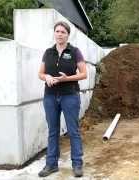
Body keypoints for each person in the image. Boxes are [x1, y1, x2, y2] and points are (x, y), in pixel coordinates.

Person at [38, 21, 87, 177]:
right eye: (57, 31)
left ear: (67, 35)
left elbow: (84, 74)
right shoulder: (48, 52)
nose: (59, 34)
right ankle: (51, 164)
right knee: (53, 131)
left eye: (63, 32)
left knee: (73, 131)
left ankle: (77, 164)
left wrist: (67, 78)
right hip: (50, 97)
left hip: (70, 95)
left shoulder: (75, 51)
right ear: (54, 33)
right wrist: (46, 77)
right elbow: (40, 73)